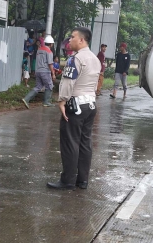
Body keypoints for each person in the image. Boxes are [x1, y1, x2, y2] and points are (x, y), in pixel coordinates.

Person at [47, 27, 101, 190]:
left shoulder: (75, 59)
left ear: (81, 40)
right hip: (90, 105)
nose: (69, 40)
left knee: (70, 142)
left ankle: (68, 180)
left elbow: (69, 82)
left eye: (72, 37)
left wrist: (62, 100)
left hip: (75, 105)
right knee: (85, 142)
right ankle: (82, 180)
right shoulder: (95, 59)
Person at [22, 35, 56, 108]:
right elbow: (50, 63)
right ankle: (46, 102)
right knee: (49, 86)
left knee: (38, 86)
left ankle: (26, 99)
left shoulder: (39, 50)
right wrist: (53, 74)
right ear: (51, 44)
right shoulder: (49, 52)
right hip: (45, 71)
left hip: (38, 71)